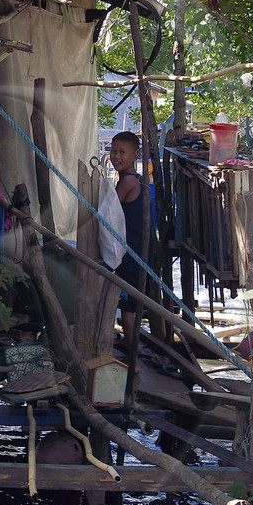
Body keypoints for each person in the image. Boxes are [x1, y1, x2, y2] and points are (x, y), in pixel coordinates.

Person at [107, 131, 146, 352]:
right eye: (114, 151)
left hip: (131, 254)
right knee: (127, 306)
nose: (116, 156)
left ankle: (134, 362)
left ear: (135, 156)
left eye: (122, 152)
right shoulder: (130, 178)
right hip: (132, 250)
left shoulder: (129, 181)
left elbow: (108, 210)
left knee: (129, 310)